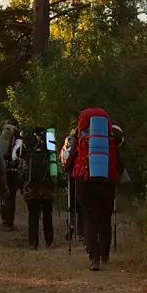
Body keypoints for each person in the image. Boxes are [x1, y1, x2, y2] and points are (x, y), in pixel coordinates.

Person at [61, 108, 123, 271]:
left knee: (89, 219)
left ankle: (93, 257)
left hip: (85, 182)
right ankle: (105, 254)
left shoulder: (80, 140)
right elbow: (120, 166)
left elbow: (68, 164)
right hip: (107, 183)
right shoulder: (109, 141)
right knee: (104, 219)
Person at [14, 127, 55, 250]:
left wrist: (20, 185)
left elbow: (18, 158)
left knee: (33, 215)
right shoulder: (48, 146)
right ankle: (49, 241)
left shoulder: (27, 146)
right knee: (48, 215)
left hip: (31, 188)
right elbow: (54, 165)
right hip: (47, 187)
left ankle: (33, 243)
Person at [0, 119, 22, 230]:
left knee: (3, 193)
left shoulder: (1, 136)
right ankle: (9, 222)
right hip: (13, 170)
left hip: (2, 168)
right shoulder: (18, 137)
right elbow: (19, 155)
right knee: (11, 196)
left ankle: (3, 218)